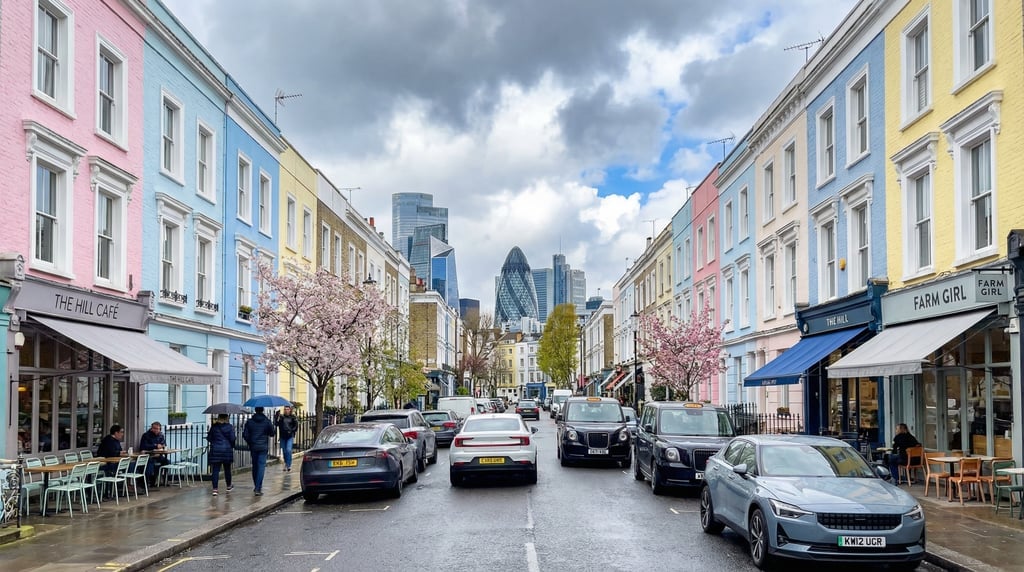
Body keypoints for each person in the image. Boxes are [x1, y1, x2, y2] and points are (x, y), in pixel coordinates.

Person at [242, 406, 274, 495]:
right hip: (263, 446)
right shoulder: (267, 421)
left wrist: (250, 441)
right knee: (261, 467)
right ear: (263, 410)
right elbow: (272, 433)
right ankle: (257, 488)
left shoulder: (250, 422)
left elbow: (245, 435)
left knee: (255, 466)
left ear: (255, 410)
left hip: (253, 446)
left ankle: (256, 485)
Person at [207, 414, 236, 496]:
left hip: (216, 450)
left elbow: (209, 438)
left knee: (215, 470)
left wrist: (214, 443)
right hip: (227, 450)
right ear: (227, 418)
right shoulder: (230, 427)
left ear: (219, 418)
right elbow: (233, 438)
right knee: (227, 469)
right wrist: (231, 445)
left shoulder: (214, 427)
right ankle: (229, 486)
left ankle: (215, 489)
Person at [139, 421, 171, 487]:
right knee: (151, 463)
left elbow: (164, 444)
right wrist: (155, 446)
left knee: (167, 461)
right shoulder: (146, 435)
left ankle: (164, 480)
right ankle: (149, 481)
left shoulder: (161, 435)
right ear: (152, 428)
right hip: (149, 456)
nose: (157, 430)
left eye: (158, 429)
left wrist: (162, 446)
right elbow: (143, 446)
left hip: (158, 455)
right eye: (155, 428)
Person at [274, 405, 299, 472]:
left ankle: (289, 464)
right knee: (284, 451)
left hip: (289, 436)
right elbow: (276, 424)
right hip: (282, 436)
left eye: (287, 409)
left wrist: (291, 430)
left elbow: (296, 426)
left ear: (290, 410)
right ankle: (285, 463)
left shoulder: (293, 417)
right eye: (285, 409)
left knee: (288, 450)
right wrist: (276, 416)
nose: (286, 410)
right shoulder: (281, 417)